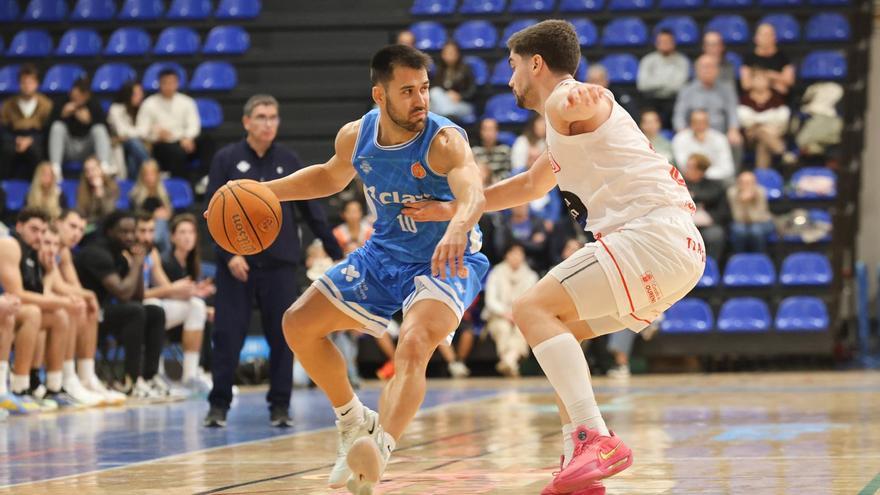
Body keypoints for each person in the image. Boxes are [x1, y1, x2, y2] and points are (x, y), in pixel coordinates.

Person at [404, 20, 705, 495]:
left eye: (513, 66)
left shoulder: (569, 100)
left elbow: (588, 99)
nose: (509, 80)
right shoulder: (563, 131)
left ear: (536, 63)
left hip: (649, 235)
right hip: (673, 249)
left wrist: (579, 98)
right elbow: (526, 185)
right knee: (560, 330)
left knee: (530, 308)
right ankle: (577, 461)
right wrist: (450, 208)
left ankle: (593, 438)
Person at [259, 45, 487, 493]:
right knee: (297, 324)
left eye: (424, 88)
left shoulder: (443, 141)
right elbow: (329, 177)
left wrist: (458, 224)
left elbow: (475, 192)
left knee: (415, 343)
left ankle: (380, 446)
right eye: (407, 91)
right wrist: (265, 192)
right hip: (383, 255)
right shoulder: (356, 136)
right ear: (379, 96)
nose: (421, 99)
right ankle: (352, 421)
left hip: (444, 259)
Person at [204, 94, 343, 429]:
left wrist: (337, 253)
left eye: (274, 117)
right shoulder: (226, 159)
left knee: (284, 337)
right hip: (236, 268)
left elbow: (313, 212)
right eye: (262, 117)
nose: (269, 123)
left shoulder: (289, 159)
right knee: (227, 336)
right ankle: (218, 405)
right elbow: (210, 214)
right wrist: (229, 254)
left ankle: (280, 406)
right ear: (247, 122)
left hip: (280, 266)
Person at [0, 208, 94, 407]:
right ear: (19, 227)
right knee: (36, 312)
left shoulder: (35, 252)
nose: (40, 237)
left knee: (59, 315)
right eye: (34, 230)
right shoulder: (10, 245)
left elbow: (43, 294)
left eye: (43, 232)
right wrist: (64, 301)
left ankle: (54, 386)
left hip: (12, 309)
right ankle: (19, 386)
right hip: (9, 307)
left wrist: (51, 273)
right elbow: (18, 293)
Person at [74, 211, 166, 398]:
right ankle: (130, 381)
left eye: (132, 232)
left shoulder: (121, 254)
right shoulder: (96, 252)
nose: (130, 237)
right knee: (134, 312)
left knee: (155, 311)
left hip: (103, 312)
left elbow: (137, 296)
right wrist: (136, 264)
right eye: (123, 232)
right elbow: (123, 293)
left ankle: (149, 377)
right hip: (87, 313)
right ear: (109, 232)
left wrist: (137, 265)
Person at [53, 209, 126, 403]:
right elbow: (54, 285)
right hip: (38, 303)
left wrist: (86, 296)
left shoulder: (64, 252)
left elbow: (73, 285)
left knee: (87, 308)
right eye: (72, 226)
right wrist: (86, 295)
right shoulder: (47, 244)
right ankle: (68, 378)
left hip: (52, 302)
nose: (77, 233)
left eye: (81, 229)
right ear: (57, 223)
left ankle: (87, 377)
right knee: (72, 309)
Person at [136, 213, 212, 393]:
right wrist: (178, 289)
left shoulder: (153, 253)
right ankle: (154, 374)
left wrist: (191, 292)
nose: (147, 236)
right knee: (156, 308)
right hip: (141, 310)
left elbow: (167, 288)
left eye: (151, 231)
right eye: (142, 231)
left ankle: (191, 375)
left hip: (157, 307)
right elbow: (139, 294)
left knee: (197, 306)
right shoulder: (155, 257)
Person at [164, 213, 216, 385]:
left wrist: (195, 292)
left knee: (206, 313)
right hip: (161, 315)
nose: (188, 237)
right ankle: (191, 374)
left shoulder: (192, 262)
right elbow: (165, 291)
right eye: (182, 232)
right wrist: (193, 293)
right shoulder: (166, 262)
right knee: (198, 307)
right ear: (172, 237)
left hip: (183, 316)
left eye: (191, 232)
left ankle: (202, 371)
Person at [136, 69, 206, 180]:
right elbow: (142, 130)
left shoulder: (187, 101)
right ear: (159, 84)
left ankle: (204, 179)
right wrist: (155, 135)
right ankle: (182, 183)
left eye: (172, 83)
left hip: (184, 140)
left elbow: (194, 125)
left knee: (207, 140)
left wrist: (188, 138)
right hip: (161, 144)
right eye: (165, 83)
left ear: (177, 84)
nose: (168, 86)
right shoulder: (149, 104)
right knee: (176, 152)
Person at [483, 242, 538, 377]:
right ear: (506, 255)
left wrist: (517, 314)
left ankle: (508, 361)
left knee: (522, 331)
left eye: (519, 254)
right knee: (503, 328)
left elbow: (532, 301)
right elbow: (490, 300)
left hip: (522, 316)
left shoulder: (531, 275)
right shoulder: (496, 272)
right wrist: (505, 313)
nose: (516, 257)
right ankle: (510, 363)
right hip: (498, 315)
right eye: (513, 253)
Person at [673, 55, 742, 153]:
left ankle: (733, 169)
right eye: (704, 67)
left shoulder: (727, 89)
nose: (708, 70)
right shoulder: (687, 90)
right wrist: (682, 131)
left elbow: (733, 112)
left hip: (720, 134)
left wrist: (733, 130)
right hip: (695, 133)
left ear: (718, 70)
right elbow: (679, 115)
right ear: (696, 70)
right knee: (680, 140)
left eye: (712, 67)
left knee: (736, 141)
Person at [48, 77, 112, 178]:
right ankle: (55, 169)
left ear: (86, 96)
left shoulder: (94, 104)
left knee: (99, 128)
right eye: (74, 95)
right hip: (67, 148)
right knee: (57, 126)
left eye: (80, 96)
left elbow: (106, 130)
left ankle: (104, 168)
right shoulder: (61, 102)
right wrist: (62, 115)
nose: (76, 99)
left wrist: (89, 121)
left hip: (87, 149)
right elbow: (47, 129)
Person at [0, 64, 53, 180]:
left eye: (30, 82)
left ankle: (36, 189)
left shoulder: (46, 104)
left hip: (36, 139)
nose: (27, 86)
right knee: (6, 150)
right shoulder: (8, 105)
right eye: (24, 82)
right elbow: (3, 129)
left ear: (37, 84)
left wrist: (31, 140)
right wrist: (16, 139)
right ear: (19, 84)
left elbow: (47, 131)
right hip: (14, 138)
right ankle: (3, 188)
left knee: (36, 151)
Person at [737, 70, 790, 169]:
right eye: (757, 79)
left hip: (773, 133)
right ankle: (781, 151)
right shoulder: (744, 99)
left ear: (768, 82)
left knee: (762, 144)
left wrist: (758, 121)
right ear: (751, 81)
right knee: (760, 131)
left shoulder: (776, 97)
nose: (760, 82)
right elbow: (745, 121)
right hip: (750, 136)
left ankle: (761, 176)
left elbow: (783, 118)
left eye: (763, 79)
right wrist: (767, 120)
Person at [636, 29, 690, 128]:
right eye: (661, 41)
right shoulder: (647, 60)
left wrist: (655, 82)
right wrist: (666, 82)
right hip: (651, 99)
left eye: (667, 41)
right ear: (656, 43)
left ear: (673, 43)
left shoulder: (682, 61)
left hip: (672, 99)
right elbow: (642, 85)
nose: (664, 44)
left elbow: (678, 86)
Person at [683, 154, 729, 261]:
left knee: (715, 235)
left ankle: (710, 268)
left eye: (691, 167)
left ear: (700, 170)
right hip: (685, 225)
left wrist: (709, 218)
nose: (687, 170)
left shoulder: (715, 186)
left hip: (708, 225)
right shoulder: (679, 184)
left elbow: (723, 211)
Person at [672, 109, 736, 181]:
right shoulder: (680, 138)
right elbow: (682, 165)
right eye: (695, 122)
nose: (699, 125)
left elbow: (727, 168)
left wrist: (702, 173)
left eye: (702, 122)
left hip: (714, 181)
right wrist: (695, 172)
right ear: (690, 123)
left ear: (708, 123)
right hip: (687, 180)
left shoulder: (720, 139)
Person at [107, 81, 149, 179]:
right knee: (134, 142)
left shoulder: (144, 109)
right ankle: (150, 167)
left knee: (132, 158)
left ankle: (132, 183)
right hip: (117, 146)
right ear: (127, 94)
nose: (140, 96)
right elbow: (122, 132)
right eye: (136, 94)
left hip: (135, 148)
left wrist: (133, 134)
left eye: (141, 93)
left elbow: (144, 132)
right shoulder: (116, 109)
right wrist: (137, 133)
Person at [130, 159, 173, 253]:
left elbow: (170, 213)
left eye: (152, 174)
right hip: (143, 228)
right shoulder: (136, 195)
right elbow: (135, 215)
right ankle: (166, 257)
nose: (149, 177)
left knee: (163, 224)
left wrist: (167, 214)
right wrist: (154, 215)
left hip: (162, 229)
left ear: (157, 175)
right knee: (160, 223)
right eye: (146, 174)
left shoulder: (164, 194)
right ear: (142, 176)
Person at [741, 23, 795, 96]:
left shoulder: (783, 57)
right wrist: (773, 81)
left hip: (779, 101)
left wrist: (766, 76)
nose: (766, 38)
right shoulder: (748, 58)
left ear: (775, 38)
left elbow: (789, 81)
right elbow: (746, 84)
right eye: (763, 35)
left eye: (769, 35)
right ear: (755, 38)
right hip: (754, 101)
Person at [727, 171, 775, 253]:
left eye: (748, 183)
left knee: (755, 231)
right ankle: (740, 257)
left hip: (763, 222)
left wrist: (751, 199)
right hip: (741, 223)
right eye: (742, 182)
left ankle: (759, 256)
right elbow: (737, 217)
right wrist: (743, 202)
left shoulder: (761, 191)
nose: (745, 185)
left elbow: (759, 217)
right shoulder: (732, 192)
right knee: (739, 231)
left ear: (755, 183)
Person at [429, 41, 476, 121]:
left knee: (436, 111)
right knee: (434, 92)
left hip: (461, 105)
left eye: (451, 52)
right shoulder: (439, 70)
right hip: (443, 103)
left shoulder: (466, 69)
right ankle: (447, 117)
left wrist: (460, 96)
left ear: (457, 54)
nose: (448, 55)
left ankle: (444, 118)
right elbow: (435, 90)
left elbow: (473, 91)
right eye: (446, 52)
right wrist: (446, 94)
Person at [77, 156, 120, 234]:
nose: (90, 174)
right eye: (87, 171)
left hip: (107, 227)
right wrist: (95, 196)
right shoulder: (82, 190)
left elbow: (109, 212)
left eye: (93, 169)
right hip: (90, 228)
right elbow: (83, 214)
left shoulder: (111, 187)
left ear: (100, 170)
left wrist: (100, 191)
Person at [471, 118, 512, 183]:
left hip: (500, 186)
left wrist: (491, 178)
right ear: (481, 132)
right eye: (485, 129)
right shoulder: (474, 152)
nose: (489, 133)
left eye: (491, 129)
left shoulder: (504, 150)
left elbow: (508, 174)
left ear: (497, 131)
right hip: (480, 185)